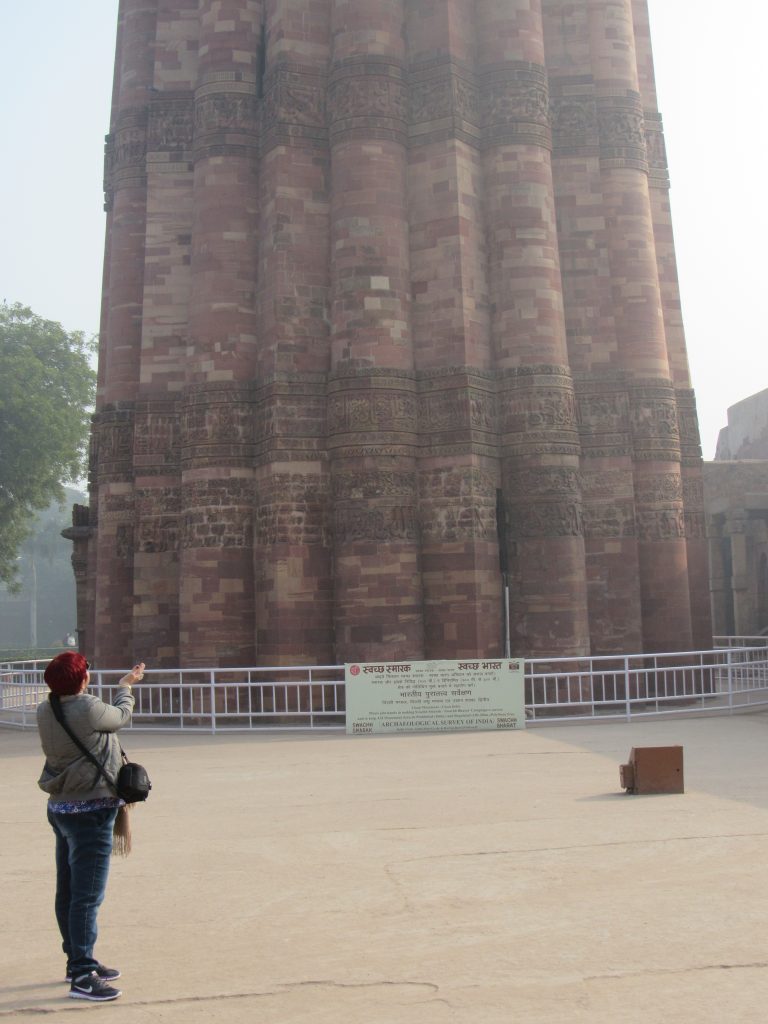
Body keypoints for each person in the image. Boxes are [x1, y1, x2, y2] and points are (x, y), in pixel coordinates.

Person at [37, 652, 145, 1002]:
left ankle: (77, 960)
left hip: (62, 807)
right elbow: (121, 716)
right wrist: (126, 686)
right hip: (92, 811)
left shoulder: (45, 710)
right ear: (82, 680)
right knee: (87, 895)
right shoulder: (87, 708)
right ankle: (82, 975)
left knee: (68, 889)